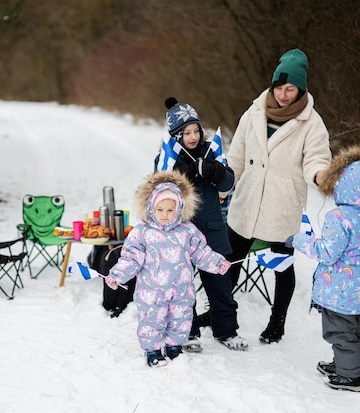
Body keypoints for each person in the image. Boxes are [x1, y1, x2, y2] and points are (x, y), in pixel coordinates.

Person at [225, 48, 332, 344]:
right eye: (279, 87)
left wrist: (320, 175)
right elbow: (236, 155)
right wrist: (224, 186)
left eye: (290, 88)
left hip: (282, 207)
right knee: (231, 261)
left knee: (282, 267)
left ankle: (277, 323)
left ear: (300, 89)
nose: (283, 94)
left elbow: (317, 158)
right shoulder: (254, 111)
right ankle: (221, 312)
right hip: (246, 203)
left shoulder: (311, 123)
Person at [286, 145, 360, 392]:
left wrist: (299, 240)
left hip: (339, 289)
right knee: (356, 330)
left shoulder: (339, 217)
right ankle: (344, 364)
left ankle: (350, 377)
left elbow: (327, 252)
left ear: (346, 185)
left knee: (340, 332)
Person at [104, 170, 232, 367]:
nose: (165, 215)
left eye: (170, 210)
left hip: (181, 289)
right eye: (160, 210)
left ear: (179, 209)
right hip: (151, 292)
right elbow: (131, 258)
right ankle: (152, 350)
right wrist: (117, 275)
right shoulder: (142, 233)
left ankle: (174, 346)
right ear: (151, 209)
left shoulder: (187, 231)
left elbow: (201, 252)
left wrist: (217, 263)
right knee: (151, 320)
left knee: (180, 318)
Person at [154, 97, 248, 353]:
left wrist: (215, 171)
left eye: (196, 130)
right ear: (176, 135)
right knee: (183, 288)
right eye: (186, 133)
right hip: (181, 233)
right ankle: (189, 332)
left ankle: (226, 331)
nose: (193, 137)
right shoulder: (167, 157)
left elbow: (229, 183)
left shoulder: (212, 151)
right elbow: (158, 187)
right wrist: (178, 174)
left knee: (220, 285)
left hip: (213, 231)